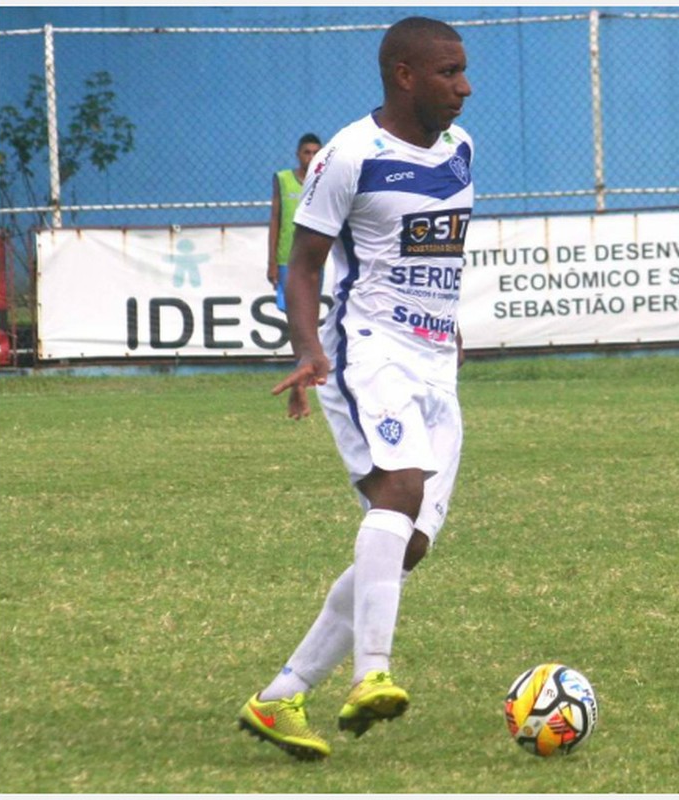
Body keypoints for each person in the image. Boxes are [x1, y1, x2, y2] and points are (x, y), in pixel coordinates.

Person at [237, 16, 473, 761]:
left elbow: (437, 253)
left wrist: (448, 329)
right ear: (404, 75)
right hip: (365, 352)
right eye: (447, 73)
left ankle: (279, 697)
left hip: (438, 364)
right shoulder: (347, 155)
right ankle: (372, 675)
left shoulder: (463, 149)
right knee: (396, 493)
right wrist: (309, 351)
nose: (463, 87)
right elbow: (303, 266)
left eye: (464, 72)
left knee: (405, 549)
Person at [267, 133, 322, 312]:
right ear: (298, 154)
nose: (311, 157)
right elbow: (275, 220)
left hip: (313, 257)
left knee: (310, 307)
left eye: (316, 153)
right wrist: (272, 262)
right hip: (287, 256)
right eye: (307, 152)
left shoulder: (324, 181)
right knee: (289, 308)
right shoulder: (283, 179)